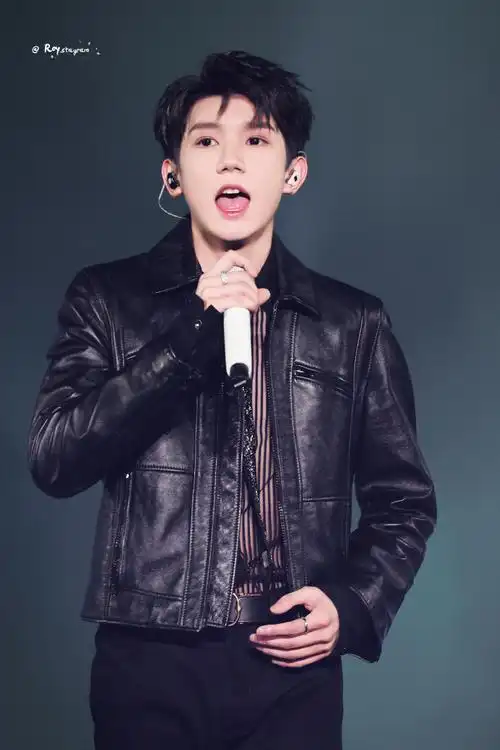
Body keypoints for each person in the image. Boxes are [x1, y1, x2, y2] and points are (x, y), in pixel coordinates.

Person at [27, 50, 437, 749]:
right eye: (206, 142)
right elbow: (55, 459)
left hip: (290, 663)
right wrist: (191, 333)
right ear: (173, 174)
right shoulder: (106, 299)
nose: (230, 161)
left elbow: (404, 500)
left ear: (293, 172)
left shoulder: (352, 323)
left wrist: (352, 605)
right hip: (148, 658)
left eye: (257, 140)